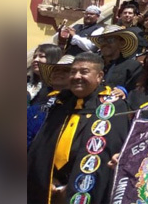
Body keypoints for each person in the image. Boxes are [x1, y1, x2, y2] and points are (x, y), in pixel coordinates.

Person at [27, 53, 130, 204]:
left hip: (85, 190)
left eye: (84, 72)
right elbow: (41, 149)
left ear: (99, 76)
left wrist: (70, 188)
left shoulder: (112, 108)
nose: (76, 76)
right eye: (73, 71)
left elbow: (107, 156)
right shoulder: (59, 104)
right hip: (49, 189)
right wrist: (47, 180)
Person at [90, 25, 143, 97]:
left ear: (121, 43)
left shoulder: (132, 67)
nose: (105, 43)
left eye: (110, 40)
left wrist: (124, 92)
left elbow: (137, 92)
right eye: (102, 40)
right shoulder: (92, 65)